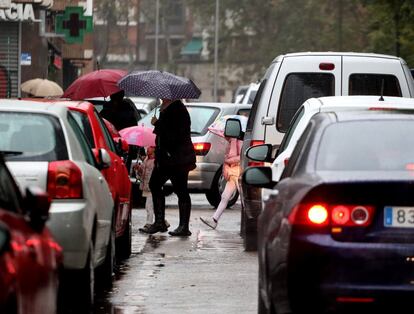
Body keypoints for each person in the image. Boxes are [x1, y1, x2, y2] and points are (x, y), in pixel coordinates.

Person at [143, 98, 196, 237]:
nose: (160, 96)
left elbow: (174, 134)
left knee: (180, 190)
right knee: (155, 184)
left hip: (176, 158)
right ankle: (160, 222)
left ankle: (183, 226)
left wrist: (158, 124)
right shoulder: (165, 108)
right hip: (166, 158)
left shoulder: (178, 110)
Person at [200, 137, 242, 229]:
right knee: (224, 197)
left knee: (244, 198)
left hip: (237, 173)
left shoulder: (239, 141)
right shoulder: (231, 142)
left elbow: (241, 156)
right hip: (232, 173)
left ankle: (254, 222)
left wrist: (228, 160)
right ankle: (214, 219)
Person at [135, 147, 170, 232]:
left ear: (154, 149)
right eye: (146, 148)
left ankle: (149, 223)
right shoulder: (146, 159)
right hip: (146, 186)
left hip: (153, 187)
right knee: (154, 207)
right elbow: (141, 173)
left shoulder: (156, 161)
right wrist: (138, 169)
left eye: (149, 147)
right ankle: (163, 222)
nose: (147, 149)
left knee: (149, 206)